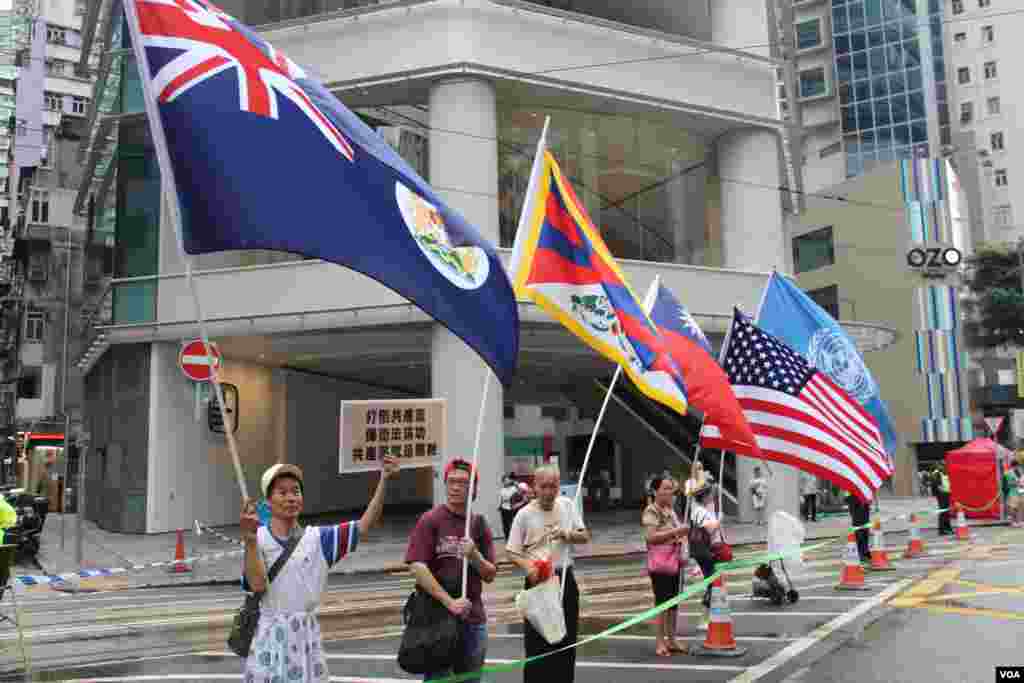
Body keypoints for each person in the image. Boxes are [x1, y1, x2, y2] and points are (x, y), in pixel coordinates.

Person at [240, 456, 399, 682]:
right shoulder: (258, 539)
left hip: (306, 639)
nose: (290, 498)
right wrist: (250, 540)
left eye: (296, 491)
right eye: (282, 492)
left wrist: (384, 480)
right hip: (270, 638)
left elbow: (364, 525)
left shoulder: (319, 540)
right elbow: (256, 585)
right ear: (268, 502)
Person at [405, 459, 498, 683]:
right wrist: (450, 602)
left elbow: (490, 574)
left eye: (463, 483)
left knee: (470, 679)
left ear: (473, 488)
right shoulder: (430, 520)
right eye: (451, 481)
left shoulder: (478, 524)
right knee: (438, 679)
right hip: (436, 620)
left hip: (473, 620)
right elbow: (417, 566)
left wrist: (475, 555)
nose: (456, 487)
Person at [507, 464, 590, 683]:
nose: (549, 492)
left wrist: (567, 534)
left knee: (566, 639)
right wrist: (529, 567)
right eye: (543, 486)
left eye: (553, 486)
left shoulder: (567, 505)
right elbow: (512, 551)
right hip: (538, 581)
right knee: (538, 643)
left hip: (565, 579)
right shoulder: (524, 515)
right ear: (534, 487)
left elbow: (584, 536)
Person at [642, 476, 687, 656]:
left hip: (674, 561)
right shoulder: (651, 511)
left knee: (674, 601)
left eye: (671, 489)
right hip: (660, 563)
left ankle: (672, 639)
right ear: (655, 491)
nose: (670, 492)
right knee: (662, 602)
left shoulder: (671, 511)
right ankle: (660, 642)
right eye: (666, 488)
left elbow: (678, 531)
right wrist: (676, 532)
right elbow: (650, 537)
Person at [688, 482, 723, 631]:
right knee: (713, 582)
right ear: (705, 496)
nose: (712, 496)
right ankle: (704, 619)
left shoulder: (699, 509)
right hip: (702, 550)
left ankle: (708, 617)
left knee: (712, 582)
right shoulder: (699, 511)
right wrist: (719, 520)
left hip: (702, 549)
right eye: (710, 494)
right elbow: (710, 529)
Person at [845, 492, 871, 562]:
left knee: (862, 534)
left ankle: (863, 553)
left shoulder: (855, 491)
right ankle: (863, 552)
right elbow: (847, 499)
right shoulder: (864, 491)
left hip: (860, 516)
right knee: (862, 535)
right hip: (861, 516)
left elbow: (846, 500)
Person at [934, 465, 952, 535]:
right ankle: (942, 530)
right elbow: (937, 485)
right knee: (943, 512)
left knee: (946, 512)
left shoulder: (944, 473)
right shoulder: (937, 474)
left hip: (946, 494)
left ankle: (948, 528)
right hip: (942, 495)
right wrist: (943, 492)